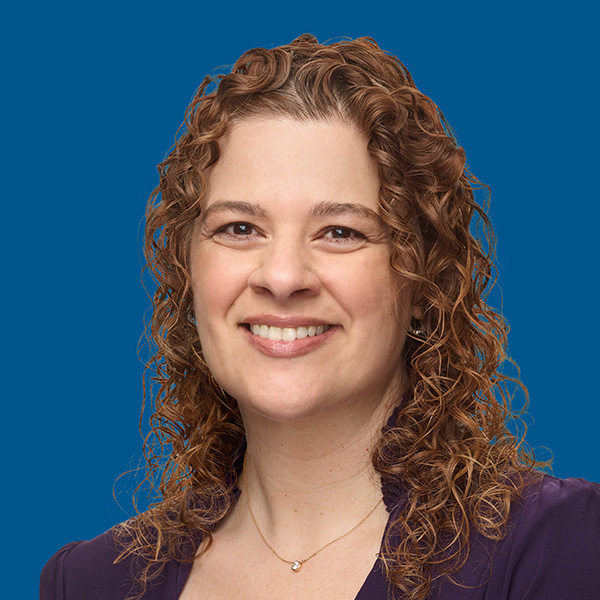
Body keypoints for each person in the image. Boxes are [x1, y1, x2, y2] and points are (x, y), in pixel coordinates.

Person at [40, 34, 600, 600]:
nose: (282, 278)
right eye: (239, 228)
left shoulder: (558, 547)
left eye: (340, 232)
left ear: (424, 278)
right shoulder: (91, 582)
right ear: (187, 269)